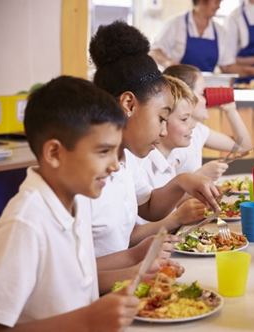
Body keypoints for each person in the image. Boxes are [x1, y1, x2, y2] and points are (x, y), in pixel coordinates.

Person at [0, 76, 157, 331]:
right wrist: (87, 320)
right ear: (54, 154)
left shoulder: (75, 202)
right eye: (103, 152)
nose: (115, 165)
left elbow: (76, 283)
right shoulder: (25, 223)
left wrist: (132, 274)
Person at [88, 20, 220, 258]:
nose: (163, 131)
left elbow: (148, 206)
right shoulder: (88, 176)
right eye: (161, 118)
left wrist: (182, 181)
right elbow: (78, 272)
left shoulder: (126, 158)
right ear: (129, 105)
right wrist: (137, 258)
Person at [163, 64, 254, 180]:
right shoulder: (173, 141)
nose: (208, 98)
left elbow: (244, 147)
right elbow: (165, 194)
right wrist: (201, 175)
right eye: (202, 93)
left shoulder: (197, 130)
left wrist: (231, 111)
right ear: (185, 95)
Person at [137, 75, 206, 226]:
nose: (192, 125)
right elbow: (134, 232)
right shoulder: (141, 165)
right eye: (184, 119)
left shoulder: (170, 160)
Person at [150, 0, 254, 79]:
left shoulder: (220, 31)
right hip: (177, 89)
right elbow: (155, 51)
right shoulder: (175, 24)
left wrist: (251, 70)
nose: (219, 6)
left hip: (204, 90)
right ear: (201, 1)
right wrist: (168, 62)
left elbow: (227, 67)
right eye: (216, 2)